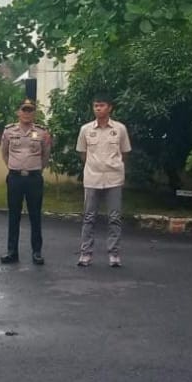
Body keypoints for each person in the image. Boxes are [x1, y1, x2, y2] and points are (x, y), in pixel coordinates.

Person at [75, 93, 132, 268]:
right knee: (89, 217)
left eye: (101, 105)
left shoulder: (120, 129)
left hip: (113, 178)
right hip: (92, 178)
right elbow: (83, 153)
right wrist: (94, 166)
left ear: (110, 107)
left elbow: (125, 152)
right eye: (95, 106)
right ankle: (86, 253)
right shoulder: (86, 129)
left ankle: (114, 254)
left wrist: (115, 166)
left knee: (114, 217)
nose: (98, 108)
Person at [0, 99, 51, 265]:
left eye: (30, 110)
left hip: (34, 178)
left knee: (35, 216)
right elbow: (5, 153)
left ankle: (37, 252)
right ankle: (12, 251)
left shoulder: (42, 132)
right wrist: (14, 166)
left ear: (34, 113)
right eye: (24, 110)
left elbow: (45, 155)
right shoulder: (9, 131)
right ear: (18, 112)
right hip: (15, 178)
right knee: (13, 215)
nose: (27, 113)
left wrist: (35, 168)